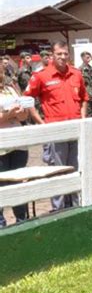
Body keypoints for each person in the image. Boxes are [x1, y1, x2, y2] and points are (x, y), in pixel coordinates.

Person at [24, 40, 88, 211]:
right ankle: (59, 210)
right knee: (58, 171)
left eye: (65, 53)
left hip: (75, 130)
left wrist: (82, 118)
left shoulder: (76, 74)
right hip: (55, 131)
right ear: (52, 55)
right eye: (59, 54)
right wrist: (41, 122)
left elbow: (84, 98)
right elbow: (27, 99)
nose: (62, 57)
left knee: (75, 169)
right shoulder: (42, 75)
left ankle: (76, 206)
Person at [0, 63, 31, 226]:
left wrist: (20, 113)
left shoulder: (11, 88)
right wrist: (7, 115)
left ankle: (21, 219)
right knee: (2, 183)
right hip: (1, 147)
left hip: (18, 144)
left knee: (17, 182)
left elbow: (24, 117)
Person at [79, 51, 92, 116]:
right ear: (82, 58)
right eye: (87, 57)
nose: (89, 58)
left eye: (90, 57)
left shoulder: (90, 68)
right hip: (87, 93)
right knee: (89, 113)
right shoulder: (80, 69)